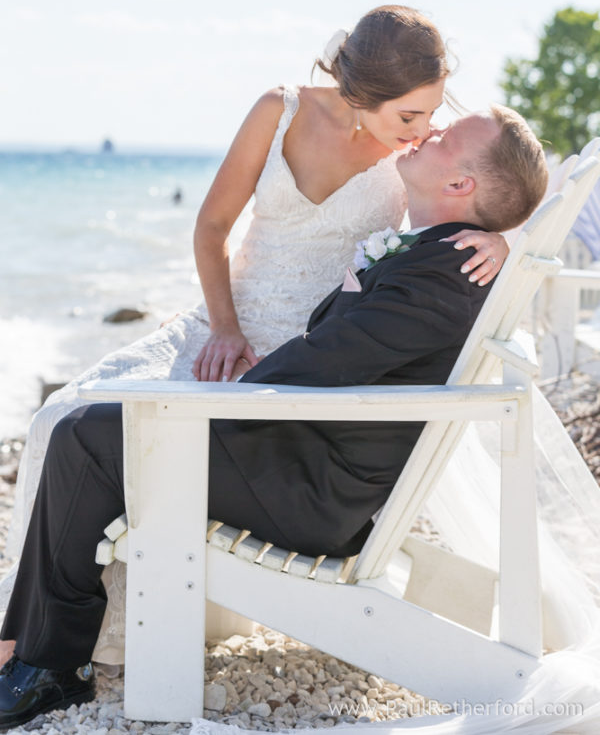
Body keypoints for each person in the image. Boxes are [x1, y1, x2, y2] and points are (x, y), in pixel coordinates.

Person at [0, 106, 548, 729]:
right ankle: (30, 648)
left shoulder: (445, 273)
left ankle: (49, 665)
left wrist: (208, 402)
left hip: (312, 492)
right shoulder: (442, 254)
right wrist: (512, 236)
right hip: (303, 456)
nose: (430, 130)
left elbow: (325, 361)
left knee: (90, 436)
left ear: (459, 187)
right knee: (97, 426)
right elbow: (333, 357)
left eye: (446, 136)